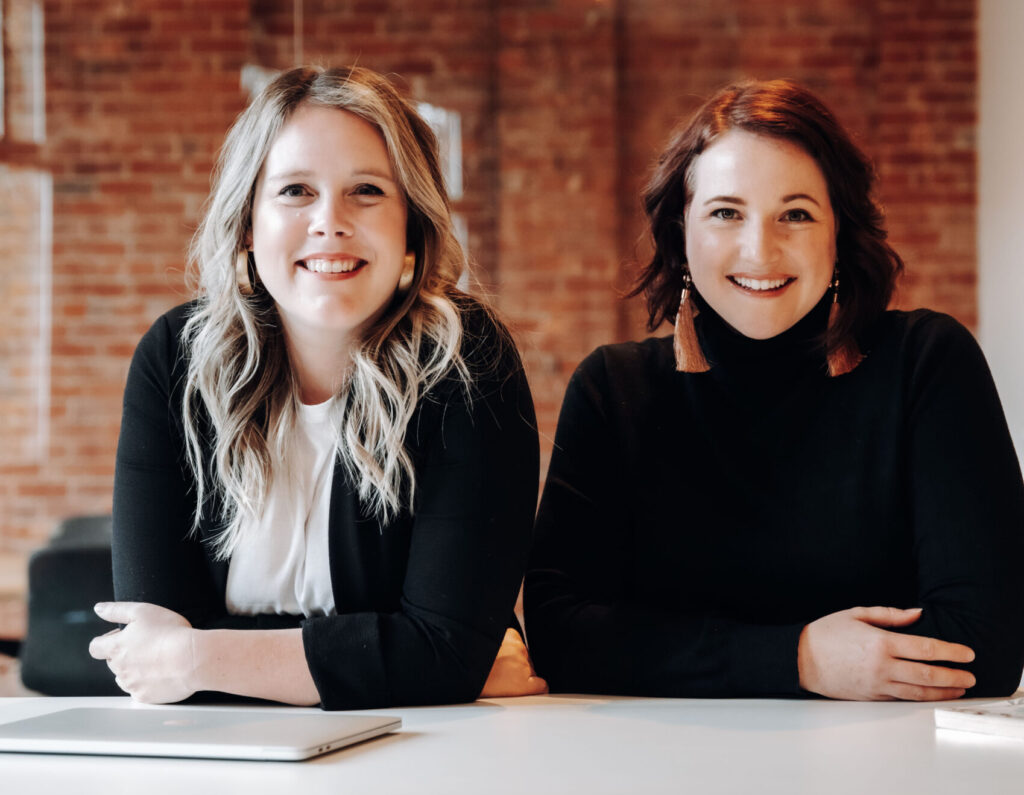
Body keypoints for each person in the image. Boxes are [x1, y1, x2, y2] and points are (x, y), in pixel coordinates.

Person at [524, 79, 1024, 701]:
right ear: (682, 234)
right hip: (662, 763)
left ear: (838, 233)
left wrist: (668, 651)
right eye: (725, 213)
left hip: (885, 766)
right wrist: (797, 658)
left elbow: (987, 649)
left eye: (796, 214)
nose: (759, 250)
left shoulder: (926, 364)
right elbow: (559, 636)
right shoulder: (613, 390)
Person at [89, 66, 546, 709]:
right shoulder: (177, 359)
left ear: (411, 226)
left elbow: (444, 653)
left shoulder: (466, 360)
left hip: (424, 757)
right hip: (212, 758)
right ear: (248, 222)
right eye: (296, 191)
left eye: (366, 191)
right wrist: (402, 661)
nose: (330, 222)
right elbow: (149, 650)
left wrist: (201, 657)